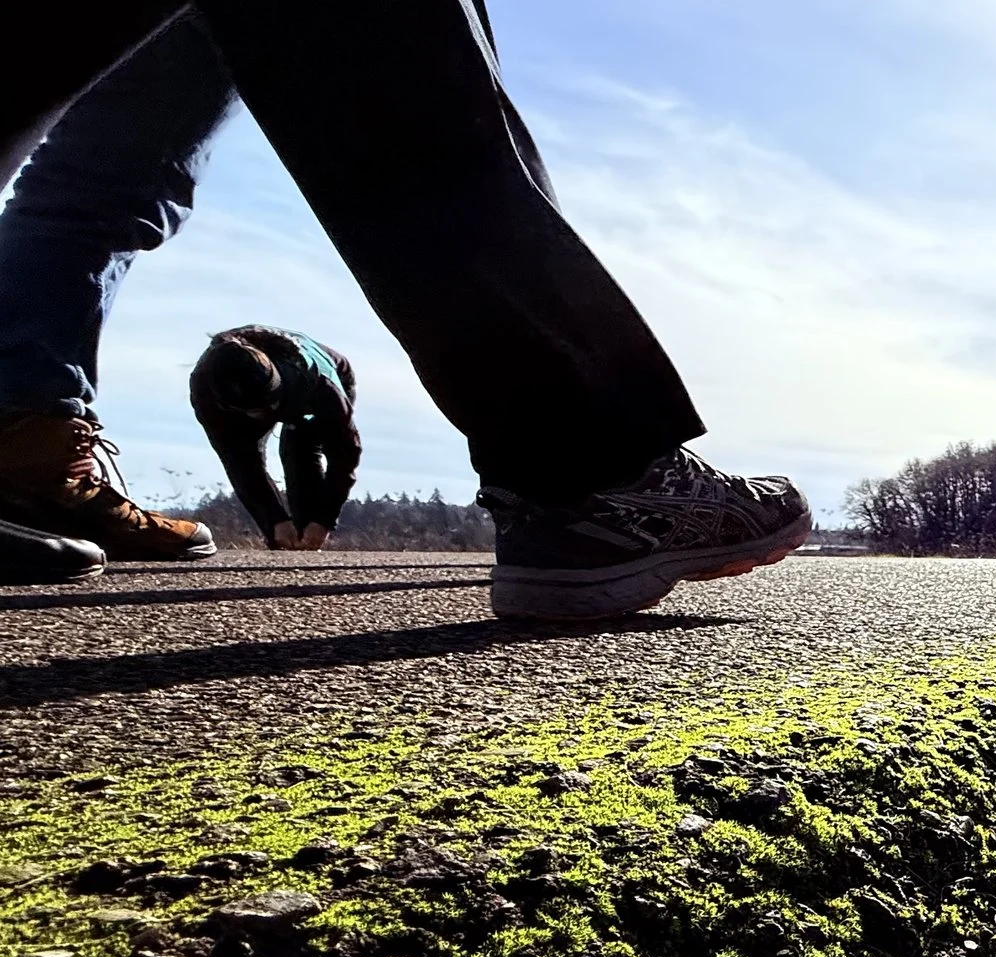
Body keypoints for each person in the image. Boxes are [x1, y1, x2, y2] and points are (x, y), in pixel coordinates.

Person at [0, 2, 810, 617]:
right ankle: (585, 473)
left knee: (103, 180)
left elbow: (328, 449)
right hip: (307, 379)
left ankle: (25, 450)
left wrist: (312, 519)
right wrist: (280, 524)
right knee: (376, 39)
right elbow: (263, 459)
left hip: (306, 374)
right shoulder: (224, 395)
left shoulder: (309, 381)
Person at [191, 326, 360, 550]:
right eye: (261, 409)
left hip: (315, 384)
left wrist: (323, 521)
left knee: (300, 449)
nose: (272, 410)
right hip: (245, 407)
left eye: (273, 401)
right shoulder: (207, 398)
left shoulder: (319, 384)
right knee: (246, 457)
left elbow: (344, 453)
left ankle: (308, 540)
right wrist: (274, 521)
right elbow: (240, 463)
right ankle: (286, 540)